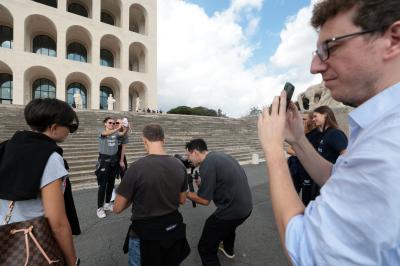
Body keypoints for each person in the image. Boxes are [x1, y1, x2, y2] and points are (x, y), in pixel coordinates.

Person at [257, 0, 400, 265]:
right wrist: (298, 139)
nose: (315, 66)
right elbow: (340, 177)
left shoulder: (389, 146)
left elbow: (306, 250)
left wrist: (272, 148)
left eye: (330, 47)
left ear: (393, 39)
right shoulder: (382, 126)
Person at [0, 98, 80, 265]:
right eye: (70, 127)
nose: (70, 132)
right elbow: (57, 222)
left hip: (4, 240)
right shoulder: (50, 157)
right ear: (54, 127)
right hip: (33, 243)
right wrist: (73, 261)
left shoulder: (5, 147)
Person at [113, 124, 190, 266]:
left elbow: (117, 208)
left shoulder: (137, 168)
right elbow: (182, 199)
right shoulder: (180, 165)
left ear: (144, 140)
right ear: (163, 140)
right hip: (172, 230)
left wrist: (133, 196)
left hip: (145, 234)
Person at [185, 139, 253, 266]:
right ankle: (228, 249)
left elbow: (204, 200)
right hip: (246, 208)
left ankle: (221, 250)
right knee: (229, 226)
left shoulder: (207, 164)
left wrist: (186, 194)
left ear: (195, 152)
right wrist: (202, 184)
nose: (188, 159)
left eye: (188, 155)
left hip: (232, 211)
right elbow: (221, 183)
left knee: (205, 248)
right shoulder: (220, 156)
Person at [95, 117, 127, 218]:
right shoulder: (102, 131)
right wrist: (118, 128)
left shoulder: (116, 134)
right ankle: (100, 208)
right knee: (103, 186)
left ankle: (108, 203)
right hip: (104, 162)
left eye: (113, 123)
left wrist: (126, 128)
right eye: (110, 123)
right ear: (105, 123)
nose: (112, 124)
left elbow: (122, 134)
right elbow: (106, 134)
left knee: (111, 184)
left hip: (113, 162)